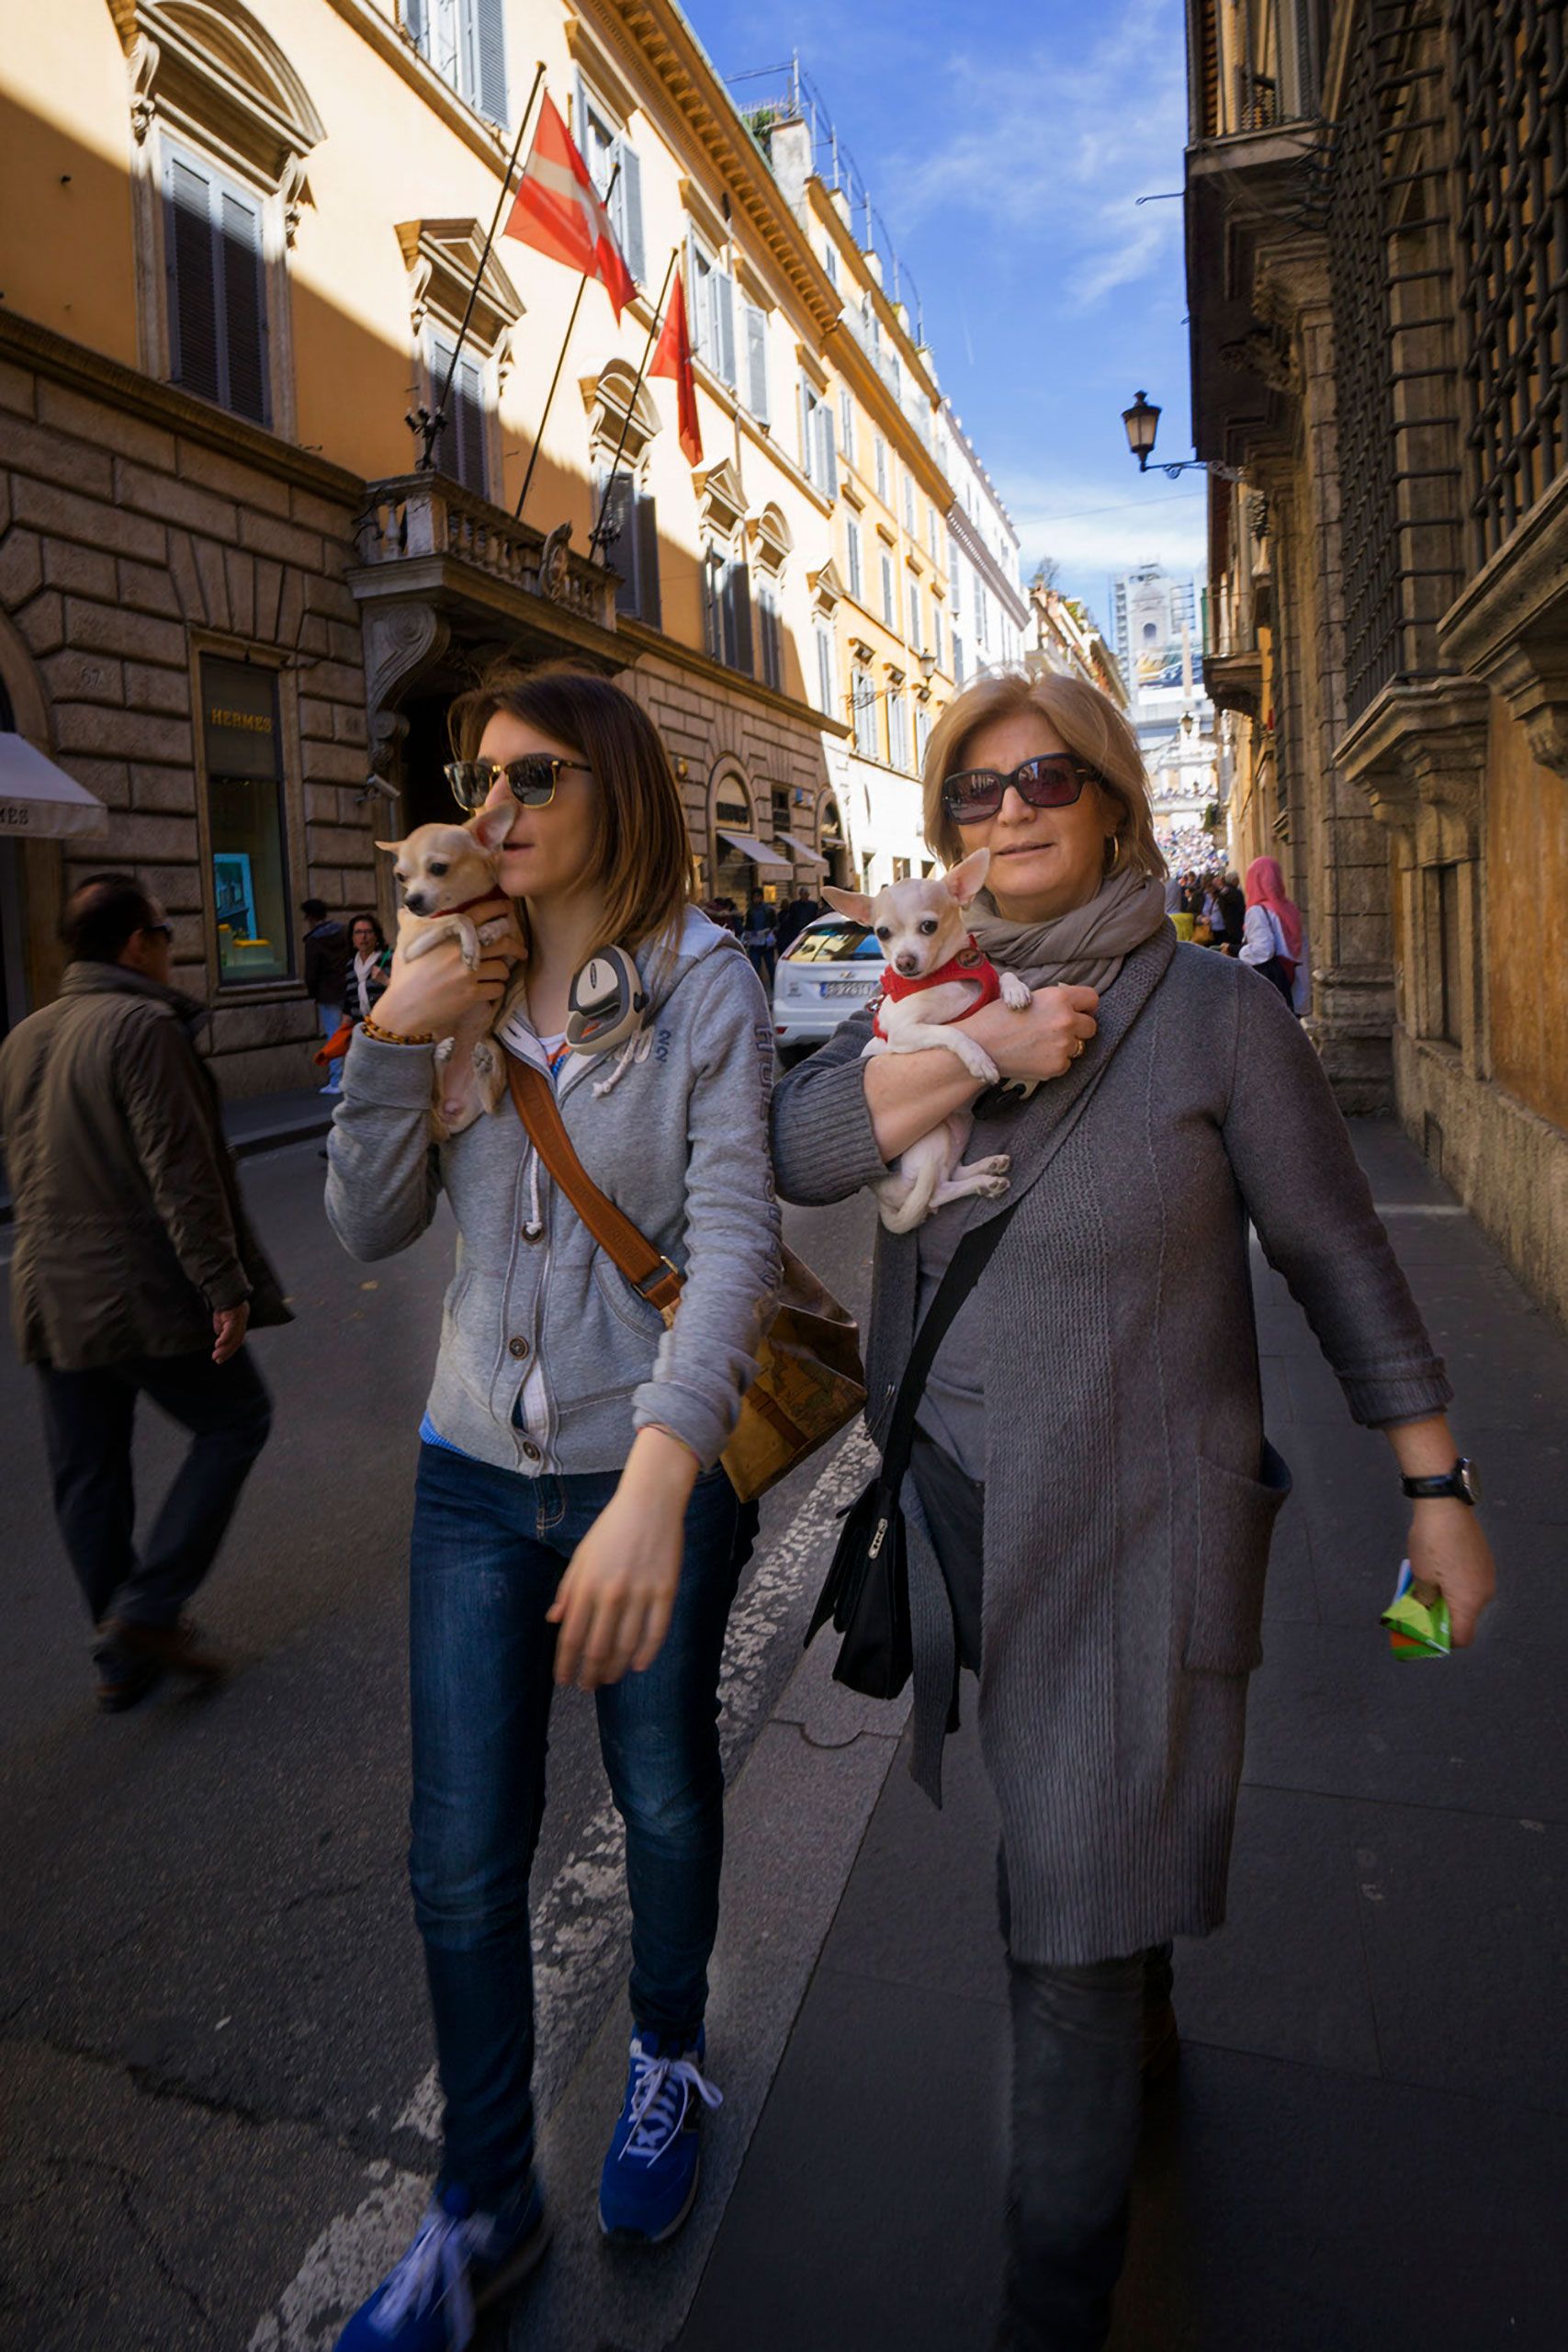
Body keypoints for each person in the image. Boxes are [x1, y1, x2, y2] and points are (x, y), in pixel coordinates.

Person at [771, 670, 1495, 2352]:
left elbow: (1336, 1257)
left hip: (1143, 1522)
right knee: (1075, 1842)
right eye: (974, 791)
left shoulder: (1214, 1019)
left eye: (1046, 779)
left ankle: (1054, 2306)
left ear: (1109, 804)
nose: (1010, 809)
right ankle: (1141, 1992)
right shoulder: (926, 997)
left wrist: (1434, 1483)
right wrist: (979, 1050)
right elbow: (800, 1151)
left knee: (1065, 1926)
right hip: (963, 1517)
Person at [325, 664, 780, 2351]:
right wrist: (392, 1035)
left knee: (659, 1795)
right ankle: (484, 2199)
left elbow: (732, 1237)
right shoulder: (446, 978)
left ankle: (667, 2053)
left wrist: (662, 1473)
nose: (491, 812)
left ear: (615, 795)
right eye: (477, 780)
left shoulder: (700, 984)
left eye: (530, 781)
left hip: (633, 1468)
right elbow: (366, 1225)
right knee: (459, 1860)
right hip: (467, 1484)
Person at [0, 874, 285, 1713]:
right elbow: (182, 1171)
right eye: (165, 932)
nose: (170, 947)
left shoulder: (24, 1037)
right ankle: (147, 1609)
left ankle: (121, 1656)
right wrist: (222, 1285)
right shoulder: (142, 1026)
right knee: (238, 1420)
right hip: (136, 1287)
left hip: (47, 1288)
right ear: (136, 943)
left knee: (87, 1472)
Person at [1239, 854, 1311, 1015]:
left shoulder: (1257, 911)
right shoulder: (1289, 909)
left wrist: (1240, 952)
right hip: (1295, 988)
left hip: (1274, 989)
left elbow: (1264, 950)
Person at [302, 897, 351, 1095]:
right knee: (350, 1033)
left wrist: (313, 992)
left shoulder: (314, 940)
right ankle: (351, 1077)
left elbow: (311, 973)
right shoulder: (344, 932)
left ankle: (337, 1080)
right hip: (348, 988)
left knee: (334, 1034)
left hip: (328, 993)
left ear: (310, 917)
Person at [342, 913, 392, 1024]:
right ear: (353, 939)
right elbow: (348, 1003)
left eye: (368, 932)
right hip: (360, 1030)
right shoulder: (351, 965)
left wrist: (386, 981)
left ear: (376, 936)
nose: (363, 937)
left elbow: (406, 994)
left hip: (386, 1028)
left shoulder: (390, 959)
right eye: (358, 932)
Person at [740, 890, 777, 989]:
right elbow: (748, 926)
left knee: (770, 966)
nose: (756, 899)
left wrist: (770, 931)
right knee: (755, 966)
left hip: (767, 942)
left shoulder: (769, 910)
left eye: (758, 897)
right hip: (755, 942)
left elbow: (776, 924)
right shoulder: (751, 911)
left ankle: (774, 985)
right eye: (754, 897)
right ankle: (756, 987)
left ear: (761, 897)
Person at [774, 885, 821, 958]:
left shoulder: (813, 905)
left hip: (810, 932)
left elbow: (815, 918)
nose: (806, 896)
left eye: (807, 894)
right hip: (797, 933)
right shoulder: (795, 905)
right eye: (804, 894)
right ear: (800, 895)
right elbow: (791, 919)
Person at [1217, 867, 1246, 956]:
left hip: (1226, 924)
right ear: (1234, 880)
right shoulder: (1237, 893)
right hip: (1237, 925)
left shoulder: (1223, 892)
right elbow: (1242, 909)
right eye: (1237, 879)